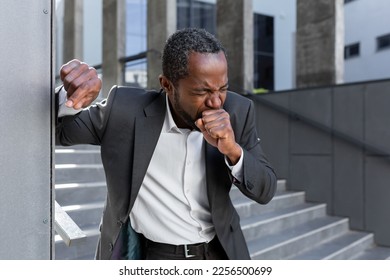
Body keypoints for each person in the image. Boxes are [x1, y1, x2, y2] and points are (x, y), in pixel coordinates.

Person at [56, 27, 277, 260]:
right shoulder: (125, 111)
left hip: (217, 251)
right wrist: (71, 96)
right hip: (152, 255)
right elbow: (62, 131)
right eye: (202, 91)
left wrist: (232, 150)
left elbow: (266, 190)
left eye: (222, 88)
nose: (216, 102)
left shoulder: (237, 111)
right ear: (167, 85)